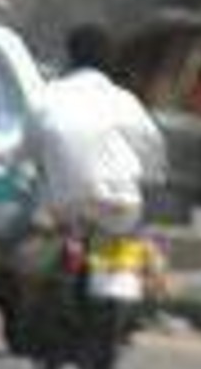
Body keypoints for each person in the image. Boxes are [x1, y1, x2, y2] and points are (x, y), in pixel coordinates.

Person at [24, 23, 166, 233]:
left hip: (66, 206)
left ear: (69, 57)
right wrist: (149, 176)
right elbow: (151, 145)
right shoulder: (124, 101)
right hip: (121, 206)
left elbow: (25, 150)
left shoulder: (48, 96)